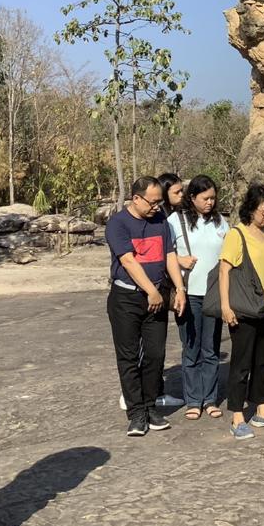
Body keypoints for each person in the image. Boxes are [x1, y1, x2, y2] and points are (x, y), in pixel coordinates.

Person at [105, 175, 186, 436]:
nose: (156, 207)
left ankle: (151, 407)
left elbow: (170, 254)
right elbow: (128, 261)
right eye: (151, 202)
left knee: (155, 354)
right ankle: (136, 412)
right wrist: (151, 290)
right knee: (128, 357)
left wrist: (179, 288)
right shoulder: (118, 224)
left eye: (159, 202)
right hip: (127, 298)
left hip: (159, 297)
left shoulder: (160, 220)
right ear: (136, 198)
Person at [218, 183, 264, 440]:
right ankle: (237, 415)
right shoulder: (237, 235)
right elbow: (224, 271)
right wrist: (226, 306)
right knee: (241, 362)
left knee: (263, 360)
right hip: (244, 309)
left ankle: (262, 409)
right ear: (251, 209)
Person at [168, 175, 229, 421]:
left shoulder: (220, 222)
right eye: (205, 198)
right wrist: (180, 260)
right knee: (191, 348)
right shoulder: (175, 221)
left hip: (214, 294)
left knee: (211, 348)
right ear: (192, 197)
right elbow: (167, 254)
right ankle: (193, 400)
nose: (210, 203)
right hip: (188, 294)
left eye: (213, 198)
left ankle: (210, 398)